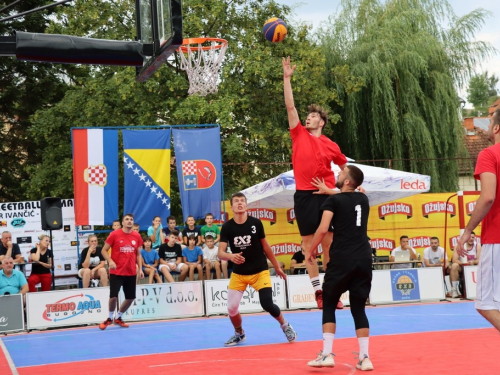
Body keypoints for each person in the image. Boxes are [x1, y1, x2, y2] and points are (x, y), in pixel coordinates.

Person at [283, 56, 348, 309]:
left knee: (329, 248)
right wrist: (286, 79)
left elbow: (346, 172)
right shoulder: (299, 134)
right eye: (307, 115)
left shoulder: (331, 144)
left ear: (321, 122)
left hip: (326, 196)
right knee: (308, 247)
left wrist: (333, 190)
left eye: (312, 116)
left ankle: (332, 292)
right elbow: (290, 107)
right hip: (305, 197)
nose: (307, 118)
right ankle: (318, 292)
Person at [304, 165, 374, 371]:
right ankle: (365, 358)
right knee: (359, 308)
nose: (338, 174)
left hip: (343, 257)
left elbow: (323, 228)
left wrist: (310, 250)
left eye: (341, 173)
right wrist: (330, 191)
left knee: (328, 304)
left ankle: (326, 354)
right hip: (364, 258)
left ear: (347, 181)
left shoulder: (332, 201)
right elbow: (348, 198)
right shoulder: (363, 198)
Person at [218, 192, 297, 346]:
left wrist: (276, 266)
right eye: (236, 201)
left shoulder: (256, 223)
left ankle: (285, 325)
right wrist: (231, 256)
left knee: (267, 303)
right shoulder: (227, 227)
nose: (240, 203)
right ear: (232, 207)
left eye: (242, 201)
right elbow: (220, 253)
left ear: (246, 205)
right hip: (239, 274)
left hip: (259, 271)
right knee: (232, 309)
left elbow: (266, 246)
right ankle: (239, 333)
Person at [456, 108, 500, 331]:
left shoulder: (490, 154)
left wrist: (467, 232)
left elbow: (488, 196)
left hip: (497, 237)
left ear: (496, 127)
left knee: (485, 303)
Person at [99, 214, 144, 329]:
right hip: (116, 271)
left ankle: (118, 317)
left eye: (131, 220)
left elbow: (138, 254)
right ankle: (109, 318)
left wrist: (140, 269)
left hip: (131, 272)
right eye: (127, 219)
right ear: (122, 223)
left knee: (130, 298)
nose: (129, 221)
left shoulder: (137, 236)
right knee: (113, 297)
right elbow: (104, 250)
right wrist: (110, 261)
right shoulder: (114, 234)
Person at [449, 232, 482, 298]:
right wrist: (465, 263)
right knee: (454, 266)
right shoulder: (458, 246)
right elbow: (454, 260)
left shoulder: (477, 246)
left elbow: (479, 260)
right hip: (462, 267)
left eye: (473, 237)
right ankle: (454, 289)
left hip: (474, 268)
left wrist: (473, 262)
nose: (471, 239)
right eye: (469, 237)